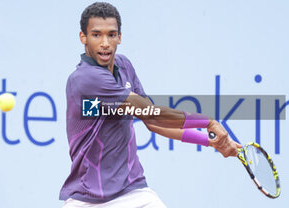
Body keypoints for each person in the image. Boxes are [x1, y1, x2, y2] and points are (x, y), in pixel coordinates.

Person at [60, 2, 242, 207]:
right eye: (96, 35)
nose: (105, 43)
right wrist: (207, 122)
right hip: (87, 199)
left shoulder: (124, 65)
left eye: (111, 34)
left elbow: (153, 123)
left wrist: (209, 141)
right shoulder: (85, 78)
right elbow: (152, 114)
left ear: (119, 37)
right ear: (83, 37)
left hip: (133, 190)